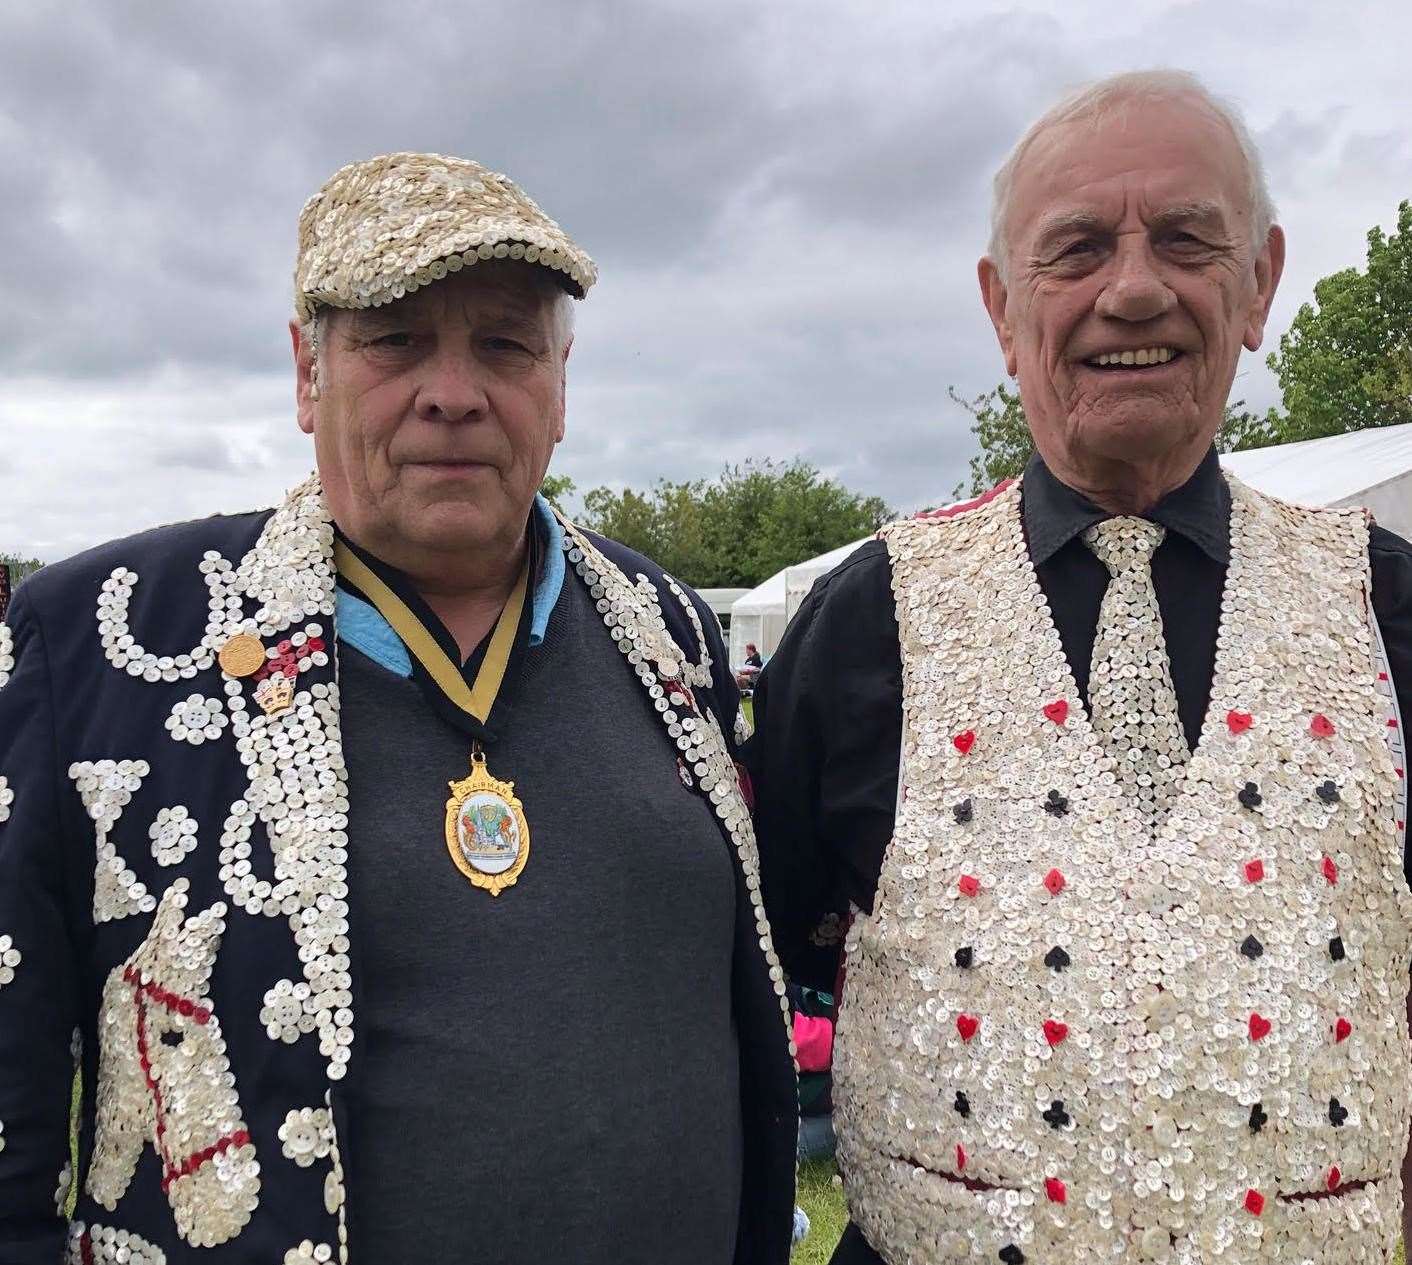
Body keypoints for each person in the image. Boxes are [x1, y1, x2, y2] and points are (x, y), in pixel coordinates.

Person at [0, 152, 796, 1264]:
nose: (454, 390)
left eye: (504, 343)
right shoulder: (98, 645)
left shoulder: (671, 632)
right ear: (304, 371)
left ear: (559, 384)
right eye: (394, 338)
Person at [748, 70, 1412, 1263]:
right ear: (1002, 309)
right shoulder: (864, 623)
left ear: (1257, 282)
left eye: (1183, 238)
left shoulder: (1388, 606)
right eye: (1075, 250)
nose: (1135, 287)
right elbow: (770, 955)